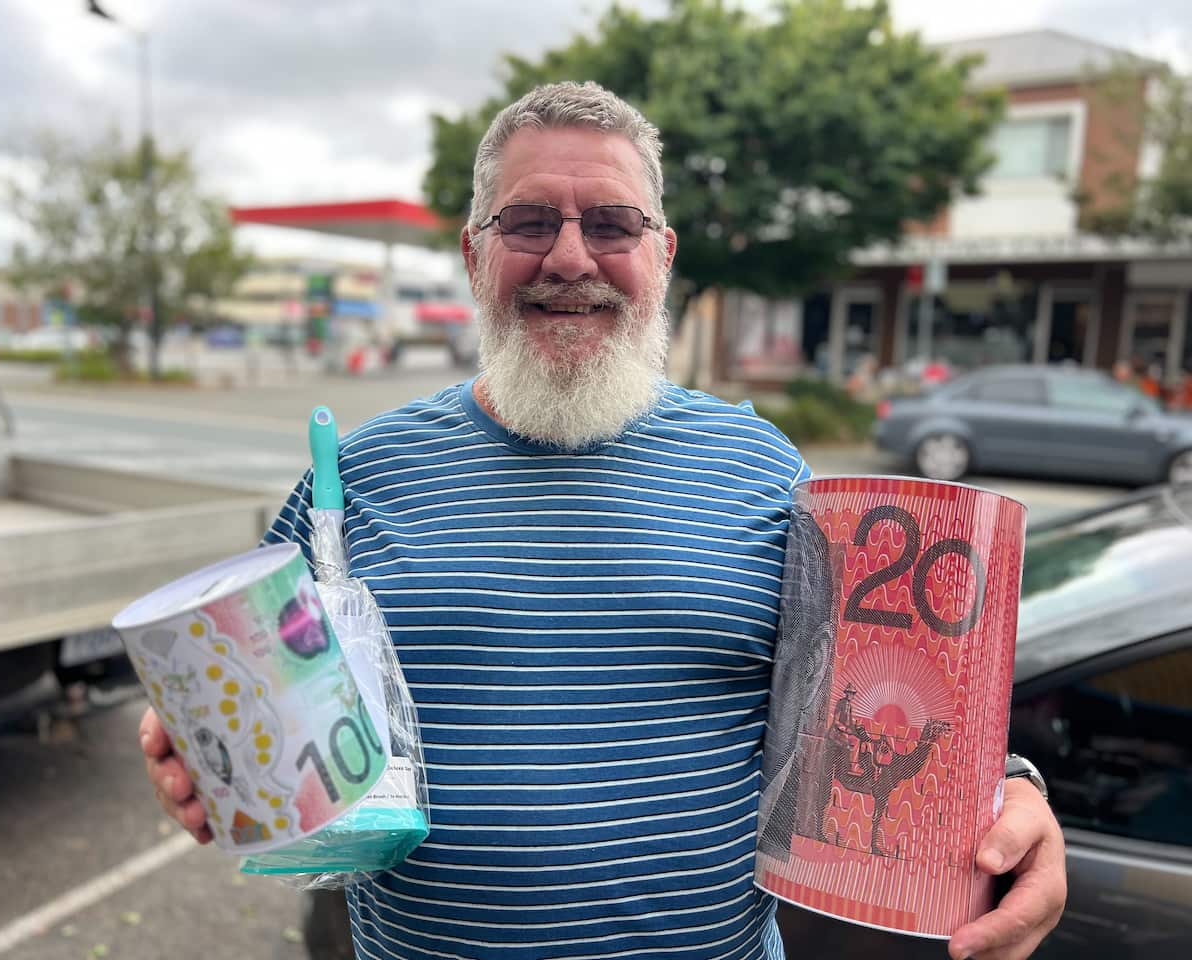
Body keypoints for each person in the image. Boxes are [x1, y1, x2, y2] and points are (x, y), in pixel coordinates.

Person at [140, 81, 1066, 960]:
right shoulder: (357, 474)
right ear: (473, 254)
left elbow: (872, 700)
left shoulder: (763, 467)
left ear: (662, 255)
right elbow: (247, 688)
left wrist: (1010, 792)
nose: (571, 259)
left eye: (613, 225)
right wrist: (198, 739)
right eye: (529, 222)